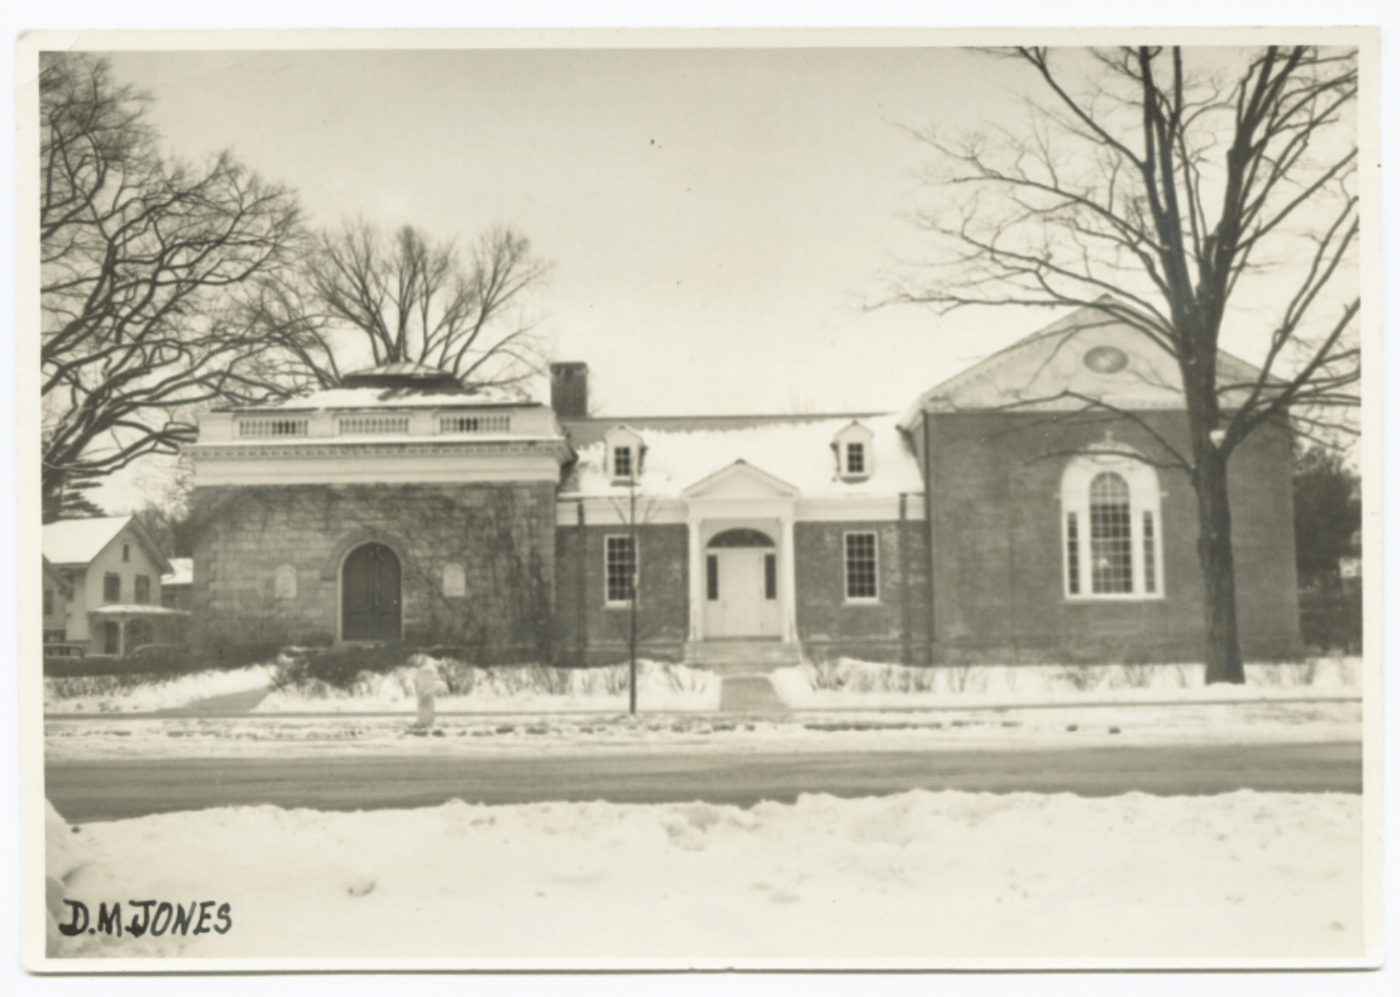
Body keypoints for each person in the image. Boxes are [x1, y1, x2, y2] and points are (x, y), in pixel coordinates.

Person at [411, 657, 449, 729]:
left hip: (426, 694)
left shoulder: (428, 669)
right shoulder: (428, 670)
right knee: (424, 704)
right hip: (425, 694)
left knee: (425, 703)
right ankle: (424, 722)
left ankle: (425, 722)